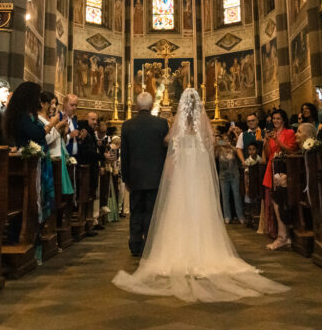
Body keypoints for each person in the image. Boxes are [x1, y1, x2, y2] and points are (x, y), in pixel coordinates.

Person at [113, 88, 288, 302]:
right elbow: (210, 145)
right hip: (198, 172)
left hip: (182, 173)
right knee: (200, 208)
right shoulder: (203, 123)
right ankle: (205, 250)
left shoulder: (175, 121)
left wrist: (176, 143)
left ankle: (166, 249)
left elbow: (168, 141)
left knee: (178, 209)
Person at [2, 82, 55, 244]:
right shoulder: (22, 116)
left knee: (32, 199)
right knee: (28, 200)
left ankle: (31, 233)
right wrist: (52, 124)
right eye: (37, 97)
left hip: (31, 161)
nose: (39, 101)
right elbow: (36, 133)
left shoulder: (21, 114)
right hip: (27, 163)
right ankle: (23, 236)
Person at [118, 91, 169, 257]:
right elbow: (166, 151)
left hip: (135, 176)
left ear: (137, 106)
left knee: (136, 211)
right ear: (152, 105)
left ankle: (135, 244)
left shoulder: (127, 125)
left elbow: (124, 155)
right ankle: (150, 243)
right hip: (156, 175)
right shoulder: (161, 124)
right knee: (152, 211)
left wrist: (125, 177)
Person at [263, 108, 297, 250]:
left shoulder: (289, 133)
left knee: (281, 201)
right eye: (273, 119)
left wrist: (278, 141)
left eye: (278, 118)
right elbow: (268, 154)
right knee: (272, 201)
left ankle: (284, 236)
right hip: (271, 166)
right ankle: (277, 233)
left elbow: (291, 150)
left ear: (283, 120)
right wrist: (266, 141)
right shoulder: (272, 134)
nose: (275, 121)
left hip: (283, 167)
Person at [214, 124, 245, 224]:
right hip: (223, 175)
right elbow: (215, 146)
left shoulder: (232, 148)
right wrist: (222, 142)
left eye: (227, 139)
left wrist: (230, 143)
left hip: (234, 174)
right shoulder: (219, 149)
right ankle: (227, 216)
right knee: (225, 196)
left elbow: (237, 150)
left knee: (237, 195)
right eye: (224, 139)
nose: (225, 141)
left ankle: (240, 216)